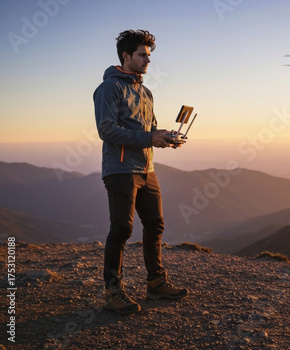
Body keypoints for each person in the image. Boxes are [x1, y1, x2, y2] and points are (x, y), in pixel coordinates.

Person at [93, 29, 188, 315]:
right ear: (126, 56)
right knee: (122, 229)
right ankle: (113, 292)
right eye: (142, 55)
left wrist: (165, 136)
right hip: (121, 169)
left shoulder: (145, 92)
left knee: (156, 225)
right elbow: (106, 129)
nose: (148, 60)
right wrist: (149, 138)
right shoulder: (109, 88)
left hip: (147, 167)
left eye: (149, 55)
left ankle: (156, 284)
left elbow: (149, 130)